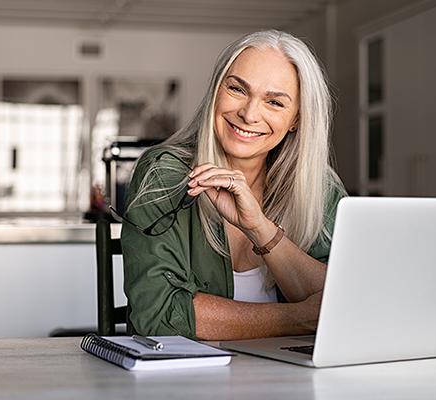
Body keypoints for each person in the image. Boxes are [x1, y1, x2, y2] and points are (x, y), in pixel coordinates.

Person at [119, 30, 346, 341]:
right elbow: (158, 315)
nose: (249, 114)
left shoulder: (319, 187)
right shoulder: (165, 173)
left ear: (297, 119)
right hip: (186, 382)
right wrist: (298, 318)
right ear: (216, 91)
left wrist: (260, 229)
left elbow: (347, 304)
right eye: (238, 89)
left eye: (275, 102)